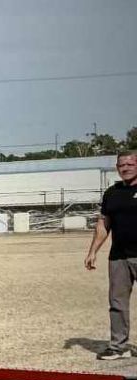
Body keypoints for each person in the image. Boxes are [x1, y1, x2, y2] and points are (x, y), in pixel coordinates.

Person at [85, 150, 137, 360]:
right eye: (120, 165)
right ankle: (118, 347)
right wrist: (92, 251)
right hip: (119, 257)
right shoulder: (111, 193)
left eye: (130, 164)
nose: (124, 168)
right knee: (117, 304)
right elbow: (103, 223)